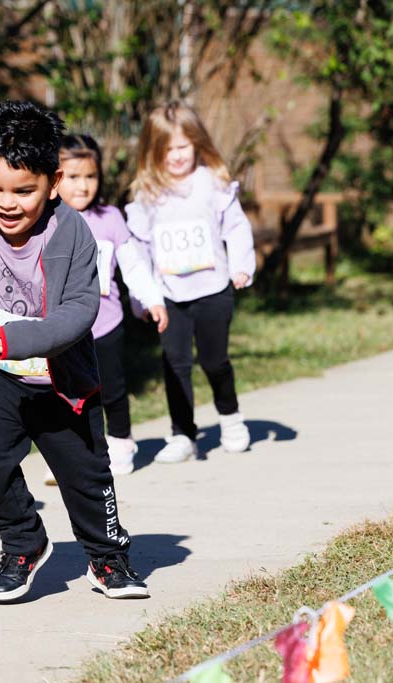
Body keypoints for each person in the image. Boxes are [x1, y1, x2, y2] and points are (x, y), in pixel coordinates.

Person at [0, 100, 150, 602]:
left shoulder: (72, 233)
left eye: (24, 191)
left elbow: (82, 307)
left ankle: (107, 560)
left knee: (85, 474)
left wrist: (22, 340)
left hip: (60, 378)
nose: (7, 203)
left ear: (53, 183)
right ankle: (23, 543)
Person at [124, 101, 256, 464]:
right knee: (174, 364)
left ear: (197, 143)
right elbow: (139, 249)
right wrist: (143, 298)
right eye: (167, 150)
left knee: (215, 362)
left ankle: (230, 419)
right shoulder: (147, 194)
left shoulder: (212, 183)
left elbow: (237, 227)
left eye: (183, 147)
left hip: (213, 290)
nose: (177, 156)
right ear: (153, 151)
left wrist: (241, 265)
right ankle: (183, 434)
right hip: (169, 297)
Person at [41, 134, 168, 483]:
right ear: (54, 178)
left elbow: (133, 265)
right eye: (73, 176)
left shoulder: (110, 218)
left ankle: (122, 444)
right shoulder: (43, 220)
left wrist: (149, 300)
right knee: (64, 394)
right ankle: (75, 457)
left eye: (90, 177)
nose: (83, 186)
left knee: (111, 388)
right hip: (61, 329)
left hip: (105, 323)